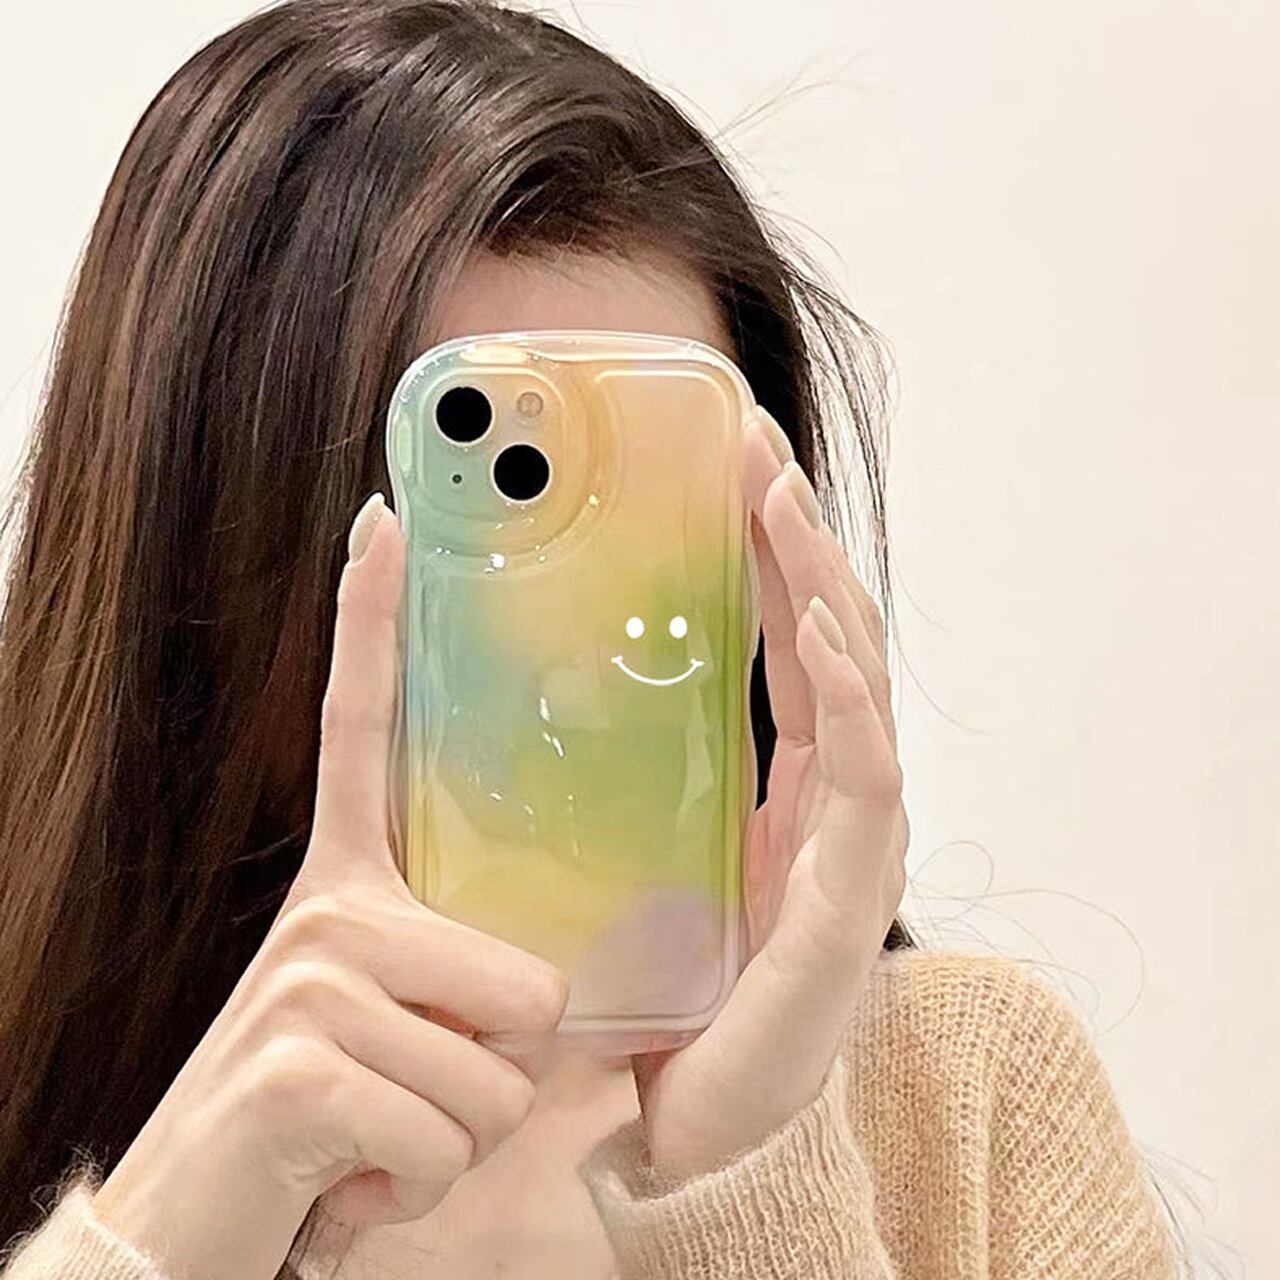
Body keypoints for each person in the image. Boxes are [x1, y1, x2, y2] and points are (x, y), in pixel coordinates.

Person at [0, 2, 1191, 1277]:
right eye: (480, 523)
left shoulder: (971, 1102)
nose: (587, 656)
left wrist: (749, 1177)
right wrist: (170, 1220)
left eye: (651, 513)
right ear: (211, 544)